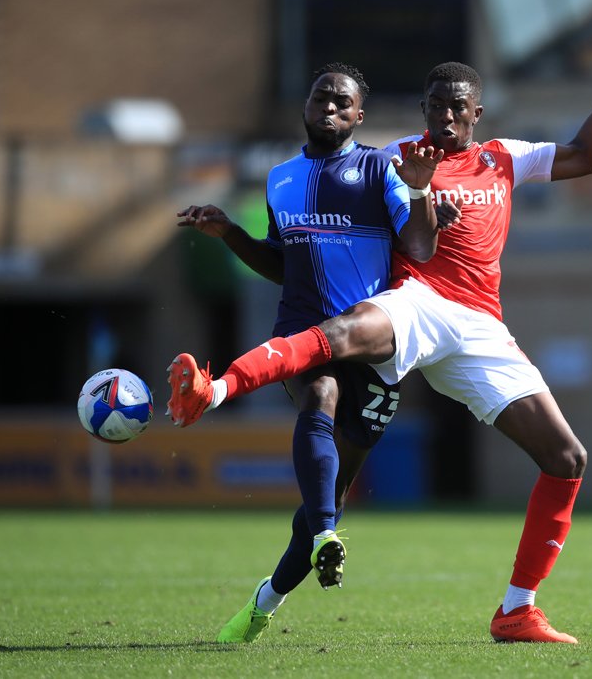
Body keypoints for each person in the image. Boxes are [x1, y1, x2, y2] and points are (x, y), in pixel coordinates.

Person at [169, 23, 592, 643]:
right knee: (337, 340)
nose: (446, 117)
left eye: (459, 108)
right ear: (423, 112)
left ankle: (516, 609)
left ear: (477, 113)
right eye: (436, 107)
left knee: (567, 458)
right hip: (419, 301)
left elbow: (587, 157)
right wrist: (416, 188)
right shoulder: (392, 157)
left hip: (481, 324)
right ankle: (215, 390)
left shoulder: (503, 157)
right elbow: (382, 223)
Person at [172, 62, 444, 643]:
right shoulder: (279, 179)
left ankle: (264, 602)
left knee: (334, 492)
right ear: (306, 105)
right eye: (322, 96)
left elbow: (419, 246)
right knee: (316, 396)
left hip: (372, 339)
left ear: (358, 116)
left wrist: (422, 195)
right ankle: (325, 534)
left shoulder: (379, 168)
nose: (330, 106)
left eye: (342, 101)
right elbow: (282, 263)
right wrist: (232, 236)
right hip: (303, 332)